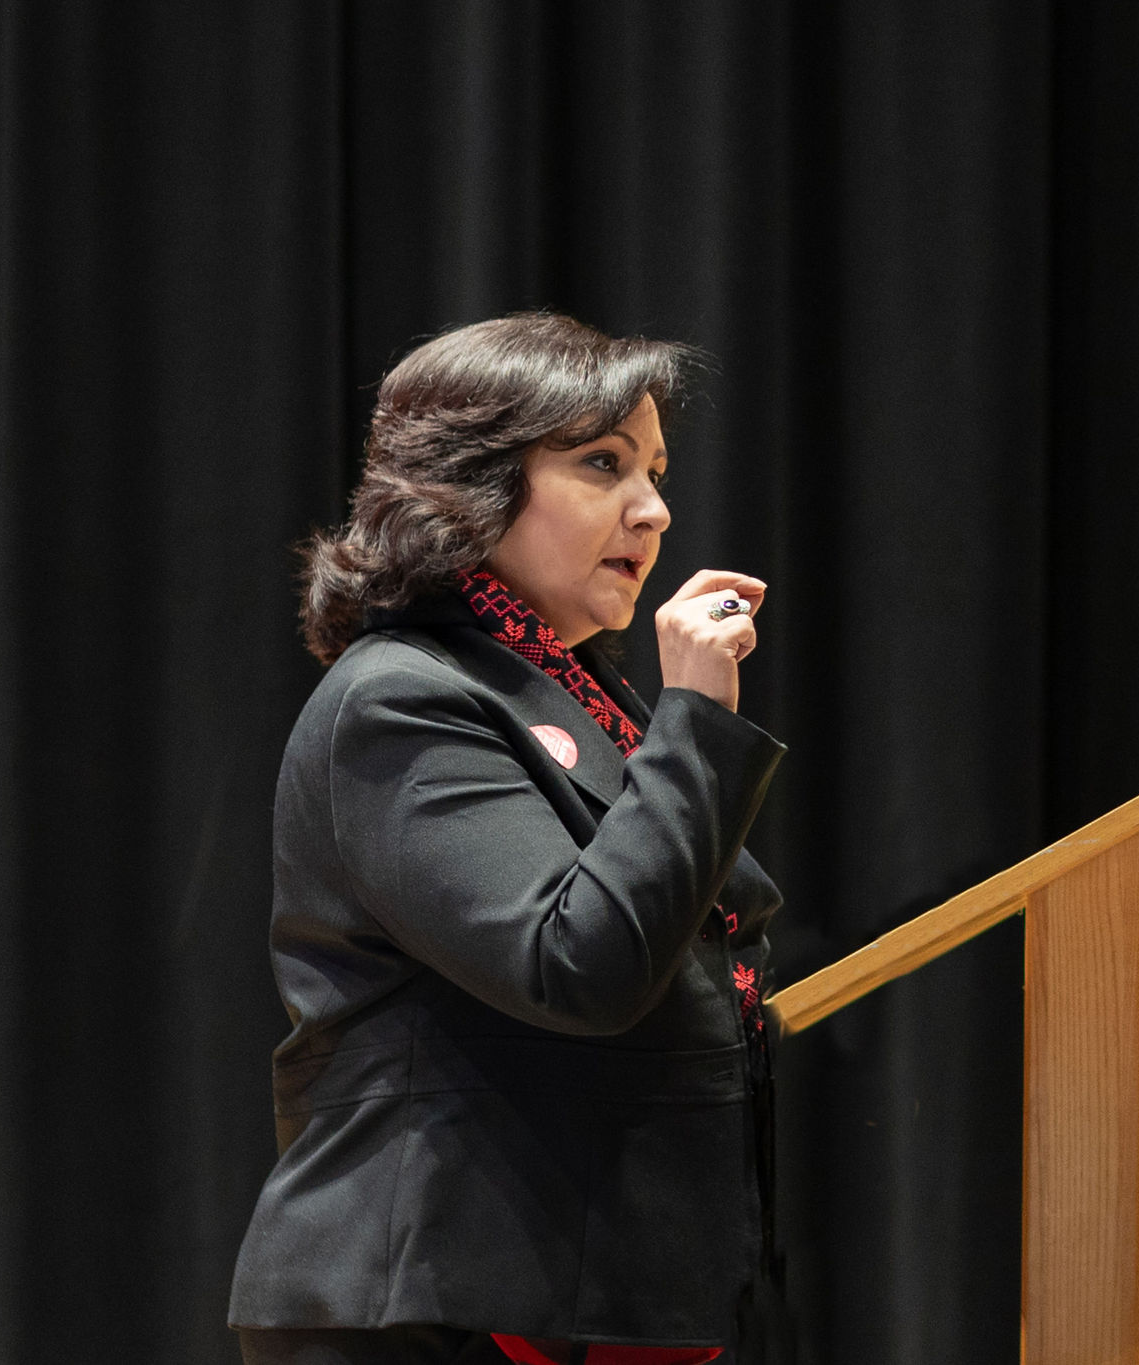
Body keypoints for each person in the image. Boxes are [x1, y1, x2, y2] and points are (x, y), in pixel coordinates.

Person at [228, 313, 786, 1365]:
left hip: (582, 1290)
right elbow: (578, 965)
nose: (654, 508)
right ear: (470, 484)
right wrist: (696, 720)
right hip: (433, 1308)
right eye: (603, 463)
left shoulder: (565, 692)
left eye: (656, 471)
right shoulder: (399, 697)